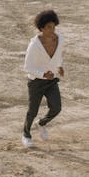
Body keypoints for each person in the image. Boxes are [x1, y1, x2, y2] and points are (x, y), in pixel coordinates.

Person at [21, 9, 64, 148]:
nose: (52, 30)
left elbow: (58, 54)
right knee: (32, 111)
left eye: (54, 26)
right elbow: (27, 67)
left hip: (51, 81)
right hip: (36, 82)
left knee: (56, 108)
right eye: (49, 27)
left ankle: (41, 123)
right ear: (41, 28)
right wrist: (43, 74)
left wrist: (60, 66)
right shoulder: (34, 45)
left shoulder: (59, 38)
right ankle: (26, 135)